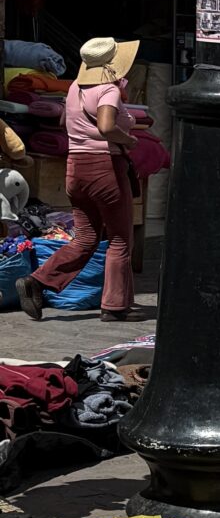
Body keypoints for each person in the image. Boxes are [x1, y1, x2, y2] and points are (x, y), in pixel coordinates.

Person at [17, 34, 138, 321]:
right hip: (104, 168)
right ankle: (114, 306)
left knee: (85, 238)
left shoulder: (74, 88)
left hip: (76, 169)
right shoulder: (108, 90)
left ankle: (37, 281)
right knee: (120, 240)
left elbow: (63, 121)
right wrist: (128, 139)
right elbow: (107, 126)